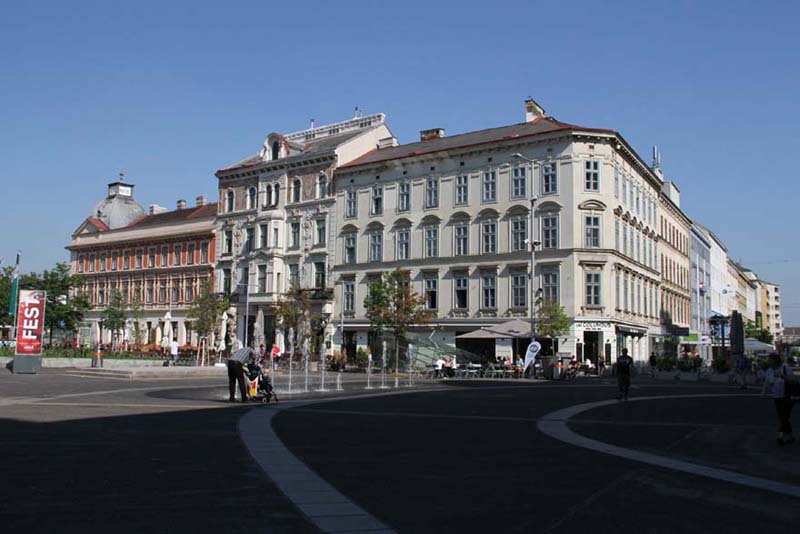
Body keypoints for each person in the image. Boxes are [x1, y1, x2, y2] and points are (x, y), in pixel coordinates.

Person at [761, 353, 796, 445]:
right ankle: (791, 436)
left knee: (784, 416)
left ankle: (780, 436)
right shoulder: (769, 370)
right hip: (776, 396)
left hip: (787, 396)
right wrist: (763, 392)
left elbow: (793, 380)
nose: (769, 362)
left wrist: (782, 376)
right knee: (782, 417)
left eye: (770, 360)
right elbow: (767, 382)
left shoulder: (786, 368)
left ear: (776, 361)